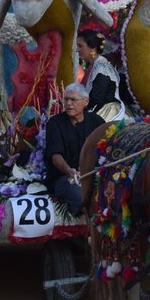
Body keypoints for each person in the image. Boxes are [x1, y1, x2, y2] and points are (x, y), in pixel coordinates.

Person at [43, 84, 105, 215]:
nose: (68, 104)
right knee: (80, 197)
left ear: (85, 102)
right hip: (64, 177)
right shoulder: (55, 123)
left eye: (73, 100)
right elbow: (55, 155)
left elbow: (106, 147)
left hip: (92, 175)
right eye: (66, 99)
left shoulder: (96, 121)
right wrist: (69, 171)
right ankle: (82, 228)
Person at [76, 30, 126, 121]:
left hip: (107, 113)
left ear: (92, 47)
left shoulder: (102, 67)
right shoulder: (97, 65)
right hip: (101, 110)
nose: (76, 50)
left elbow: (97, 99)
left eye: (80, 46)